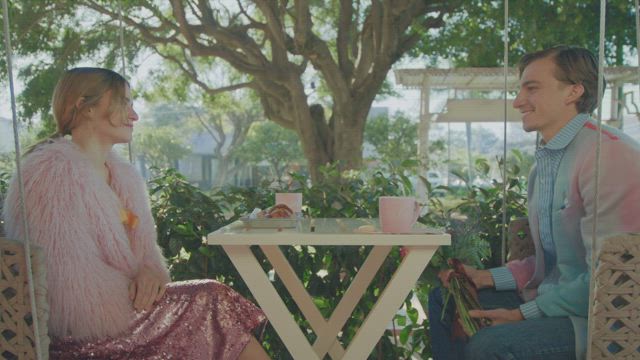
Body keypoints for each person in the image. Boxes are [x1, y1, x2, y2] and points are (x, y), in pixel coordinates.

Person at [3, 67, 270, 359]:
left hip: (130, 317)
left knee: (215, 308)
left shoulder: (124, 177)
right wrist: (137, 292)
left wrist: (149, 274)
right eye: (123, 102)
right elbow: (71, 292)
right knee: (211, 300)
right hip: (80, 337)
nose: (134, 115)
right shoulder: (49, 174)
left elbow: (145, 254)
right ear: (85, 106)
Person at [428, 45, 640, 360]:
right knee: (444, 300)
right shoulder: (546, 161)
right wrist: (486, 277)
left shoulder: (608, 155)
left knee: (490, 346)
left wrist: (522, 314)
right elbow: (553, 263)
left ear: (574, 91)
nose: (517, 101)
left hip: (602, 320)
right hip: (554, 302)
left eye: (532, 88)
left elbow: (610, 276)